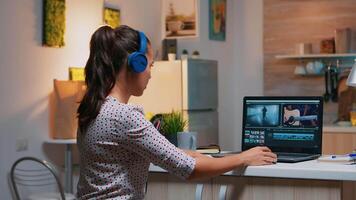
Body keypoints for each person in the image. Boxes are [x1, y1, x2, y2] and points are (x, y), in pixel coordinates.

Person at [76, 25, 277, 199]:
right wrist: (244, 157)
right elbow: (189, 169)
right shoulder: (124, 116)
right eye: (150, 65)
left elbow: (145, 151)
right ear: (136, 64)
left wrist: (191, 154)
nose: (150, 74)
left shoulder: (95, 108)